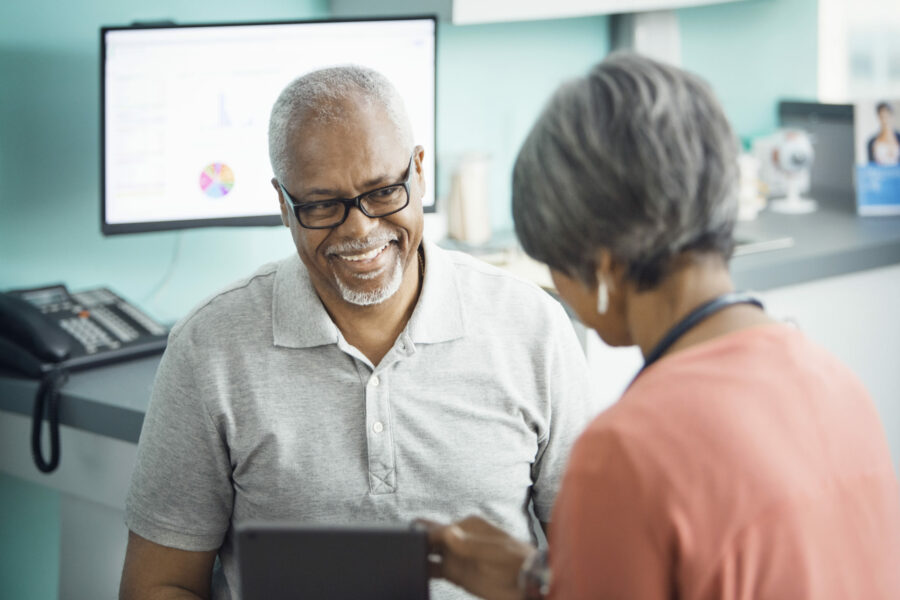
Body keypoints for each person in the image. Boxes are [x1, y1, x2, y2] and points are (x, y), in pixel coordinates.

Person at [424, 53, 900, 600]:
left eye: (551, 263)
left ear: (602, 264)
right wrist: (541, 581)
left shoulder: (624, 456)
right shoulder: (839, 386)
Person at [119, 66, 596, 600]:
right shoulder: (208, 349)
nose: (359, 228)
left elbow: (597, 575)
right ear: (283, 204)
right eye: (322, 205)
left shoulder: (533, 328)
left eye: (383, 191)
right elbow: (157, 585)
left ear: (418, 171)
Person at [867, 102, 900, 166]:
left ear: (892, 116)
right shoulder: (871, 141)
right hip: (879, 175)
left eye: (887, 116)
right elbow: (871, 166)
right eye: (882, 116)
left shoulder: (899, 137)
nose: (885, 120)